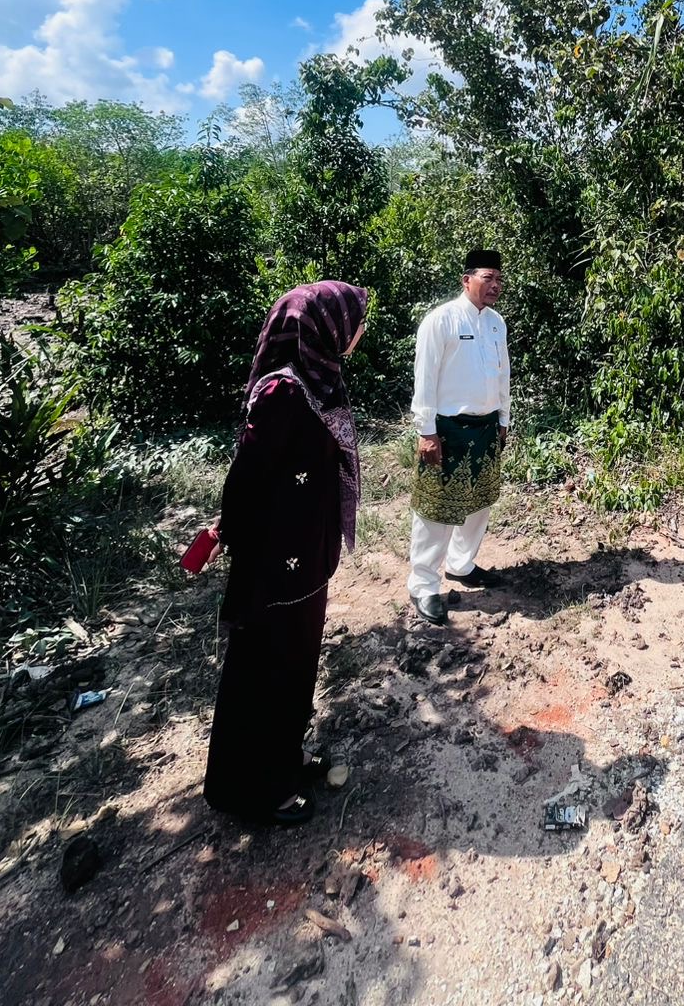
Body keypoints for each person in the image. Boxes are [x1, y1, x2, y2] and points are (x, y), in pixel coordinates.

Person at [204, 280, 368, 827]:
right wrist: (228, 532)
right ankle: (257, 789)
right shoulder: (284, 392)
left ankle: (286, 757)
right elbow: (246, 478)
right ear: (325, 329)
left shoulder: (320, 379)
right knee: (266, 669)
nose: (359, 331)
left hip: (306, 554)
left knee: (297, 662)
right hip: (276, 562)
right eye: (354, 321)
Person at [408, 248, 511, 625]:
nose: (495, 285)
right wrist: (426, 431)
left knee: (479, 503)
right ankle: (423, 584)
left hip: (487, 427)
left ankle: (461, 564)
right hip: (448, 429)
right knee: (436, 510)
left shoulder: (497, 323)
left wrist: (504, 418)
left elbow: (502, 374)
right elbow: (424, 378)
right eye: (488, 278)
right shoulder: (441, 320)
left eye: (499, 279)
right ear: (466, 280)